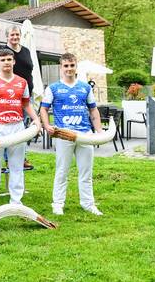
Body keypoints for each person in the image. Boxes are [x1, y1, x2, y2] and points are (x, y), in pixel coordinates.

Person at [39, 53, 104, 216]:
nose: (69, 69)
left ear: (76, 67)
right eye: (66, 66)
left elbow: (93, 110)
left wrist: (99, 132)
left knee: (86, 172)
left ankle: (88, 204)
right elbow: (43, 109)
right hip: (64, 134)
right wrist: (46, 125)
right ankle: (58, 204)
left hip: (85, 135)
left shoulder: (85, 87)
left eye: (72, 65)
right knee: (62, 171)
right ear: (61, 67)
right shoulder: (53, 88)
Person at [0, 49, 40, 205]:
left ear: (14, 61)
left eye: (9, 59)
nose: (6, 62)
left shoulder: (22, 82)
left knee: (17, 166)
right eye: (3, 60)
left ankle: (16, 201)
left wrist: (36, 119)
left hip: (17, 128)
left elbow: (26, 104)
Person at [4, 24, 37, 170]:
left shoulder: (26, 51)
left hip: (26, 95)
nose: (15, 37)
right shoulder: (5, 52)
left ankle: (21, 157)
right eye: (12, 34)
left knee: (22, 127)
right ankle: (8, 159)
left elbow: (29, 71)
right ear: (7, 37)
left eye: (17, 34)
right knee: (10, 127)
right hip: (11, 96)